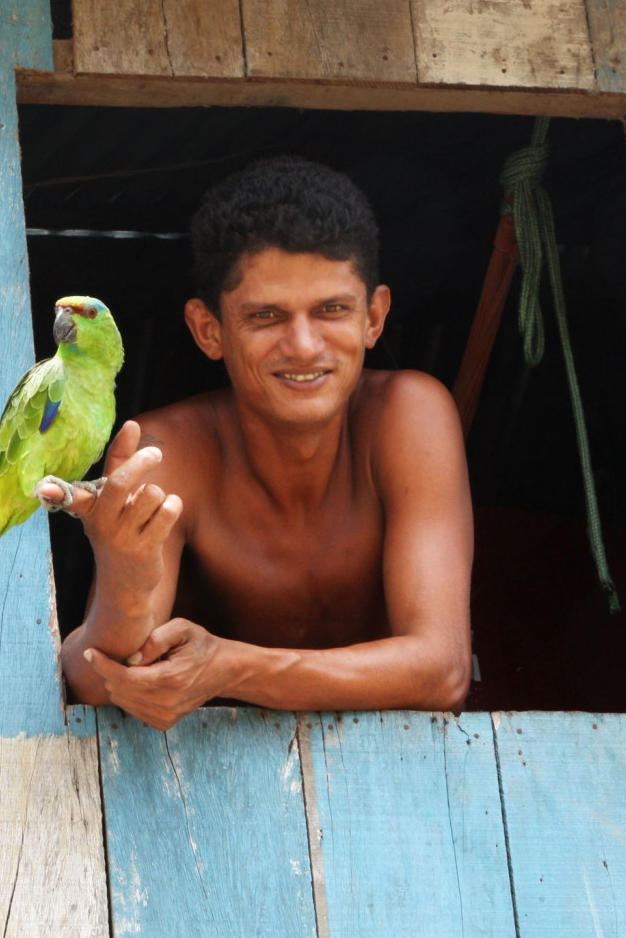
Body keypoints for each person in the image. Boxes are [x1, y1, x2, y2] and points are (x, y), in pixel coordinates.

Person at [46, 157, 473, 728]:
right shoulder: (167, 450)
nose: (302, 345)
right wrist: (124, 579)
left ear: (374, 317)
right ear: (209, 330)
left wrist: (232, 668)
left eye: (332, 310)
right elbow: (96, 680)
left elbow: (442, 670)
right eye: (266, 315)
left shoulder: (408, 416)